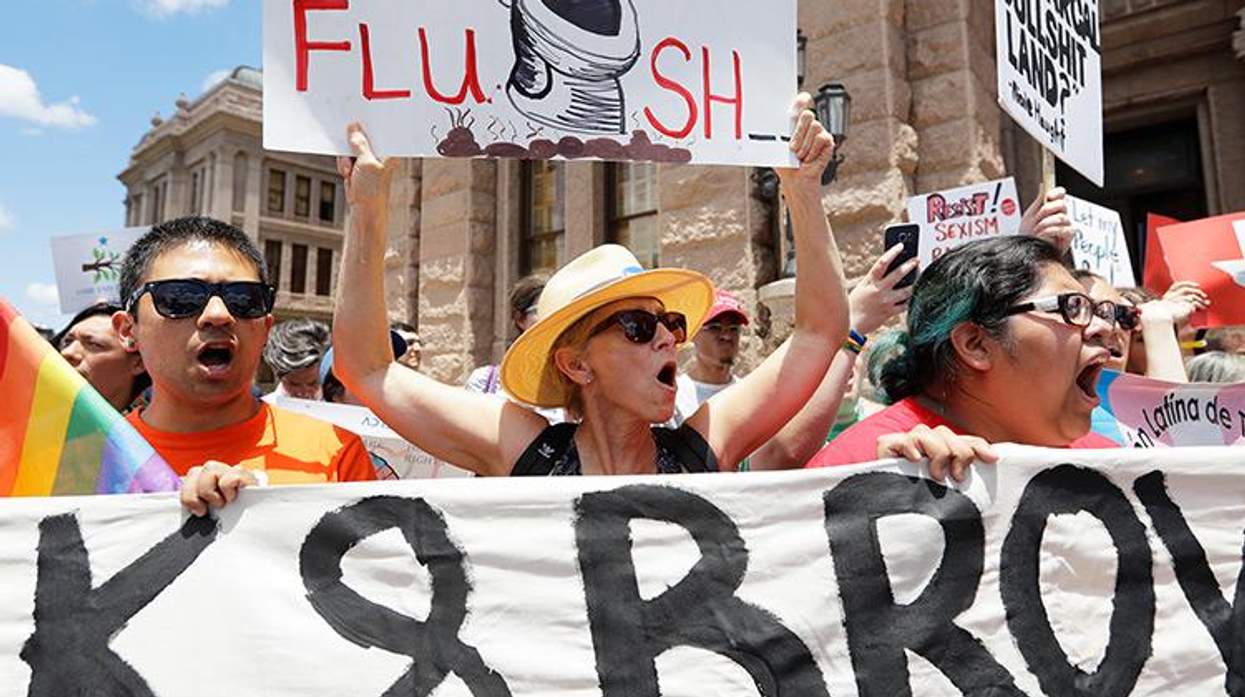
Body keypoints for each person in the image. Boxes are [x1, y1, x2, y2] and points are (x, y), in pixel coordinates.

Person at [332, 93, 849, 476]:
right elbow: (370, 369)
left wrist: (802, 192)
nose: (671, 337)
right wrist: (368, 209)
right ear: (576, 363)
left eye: (669, 323)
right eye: (638, 325)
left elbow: (819, 332)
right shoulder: (529, 451)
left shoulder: (701, 449)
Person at [112, 216, 375, 515]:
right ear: (127, 329)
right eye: (181, 297)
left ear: (265, 328)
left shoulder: (335, 451)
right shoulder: (82, 462)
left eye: (244, 298)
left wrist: (269, 517)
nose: (218, 314)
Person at [808, 236, 1120, 479]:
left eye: (1101, 312)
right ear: (975, 344)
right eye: (1072, 306)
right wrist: (891, 493)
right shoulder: (863, 466)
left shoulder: (1112, 468)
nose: (1105, 327)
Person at [750, 243, 916, 470]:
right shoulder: (765, 433)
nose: (844, 364)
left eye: (852, 349)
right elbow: (781, 456)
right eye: (832, 350)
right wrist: (854, 323)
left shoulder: (896, 426)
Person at [669, 289, 749, 426]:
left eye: (733, 329)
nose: (726, 336)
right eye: (715, 328)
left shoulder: (750, 393)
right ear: (693, 333)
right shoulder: (675, 399)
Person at [54, 301, 151, 413]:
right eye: (67, 342)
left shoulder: (144, 429)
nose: (67, 352)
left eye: (94, 344)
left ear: (138, 363)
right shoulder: (35, 423)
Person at [465, 275, 545, 395]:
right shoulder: (484, 382)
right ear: (520, 319)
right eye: (541, 309)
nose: (550, 316)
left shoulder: (576, 385)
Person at [261, 318, 331, 402]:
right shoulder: (264, 408)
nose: (304, 393)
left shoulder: (339, 409)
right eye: (294, 384)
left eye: (312, 383)